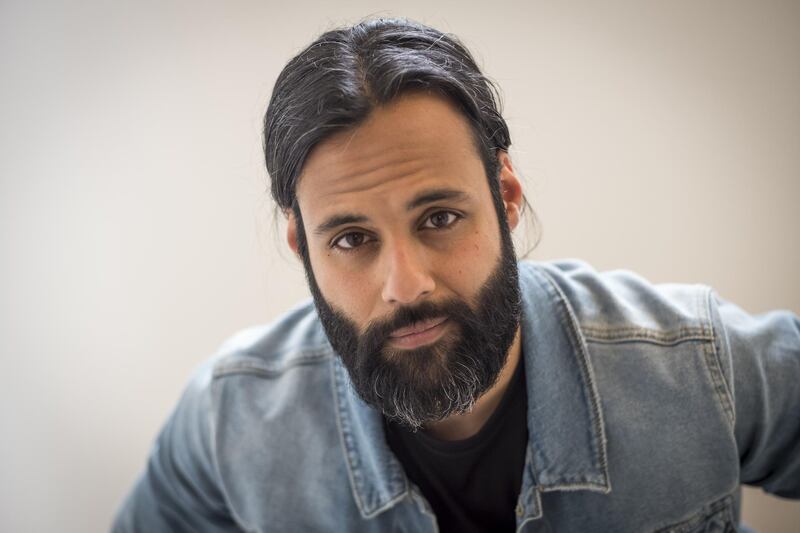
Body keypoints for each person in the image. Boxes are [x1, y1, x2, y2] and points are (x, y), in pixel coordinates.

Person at [112, 18, 799, 532]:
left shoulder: (696, 362)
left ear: (505, 195)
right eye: (351, 238)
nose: (405, 285)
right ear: (302, 247)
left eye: (439, 218)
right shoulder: (228, 420)